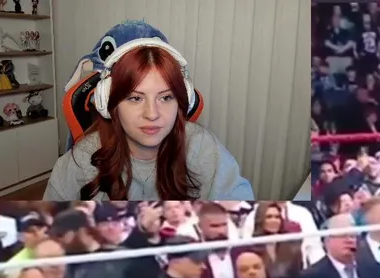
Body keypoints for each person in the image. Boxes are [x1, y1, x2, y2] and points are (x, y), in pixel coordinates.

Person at [44, 39, 253, 201]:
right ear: (109, 103)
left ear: (182, 102)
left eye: (166, 97)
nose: (152, 114)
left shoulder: (202, 147)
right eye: (135, 98)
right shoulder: (82, 161)